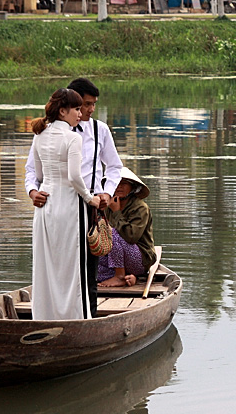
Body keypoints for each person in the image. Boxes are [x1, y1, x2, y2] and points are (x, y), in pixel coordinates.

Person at [26, 78, 123, 316]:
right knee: (57, 265)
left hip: (90, 209)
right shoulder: (47, 134)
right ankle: (65, 316)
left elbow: (114, 167)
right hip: (61, 206)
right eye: (84, 105)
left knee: (88, 271)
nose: (89, 110)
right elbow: (32, 171)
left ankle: (87, 321)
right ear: (69, 106)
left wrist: (106, 193)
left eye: (91, 105)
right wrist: (32, 191)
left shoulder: (100, 130)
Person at [98, 167, 156, 288]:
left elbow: (131, 237)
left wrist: (117, 212)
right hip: (118, 259)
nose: (119, 187)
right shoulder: (108, 206)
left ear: (132, 187)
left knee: (111, 232)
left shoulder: (140, 208)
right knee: (92, 268)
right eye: (116, 183)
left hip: (140, 257)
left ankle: (120, 277)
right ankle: (129, 277)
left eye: (124, 183)